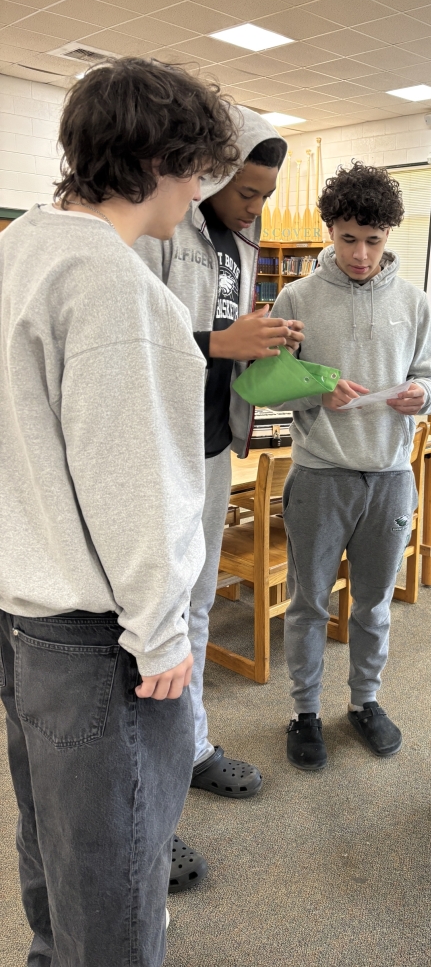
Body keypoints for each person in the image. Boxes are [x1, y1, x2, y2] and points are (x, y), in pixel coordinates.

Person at [0, 58, 239, 966]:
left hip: (24, 613)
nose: (199, 190)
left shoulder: (20, 245)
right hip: (96, 634)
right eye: (197, 169)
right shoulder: (113, 284)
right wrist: (162, 631)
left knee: (54, 844)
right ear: (160, 163)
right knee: (115, 867)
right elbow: (129, 479)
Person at [134, 105, 303, 889]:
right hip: (150, 453)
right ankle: (143, 813)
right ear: (213, 174)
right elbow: (132, 340)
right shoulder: (162, 231)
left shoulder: (240, 245)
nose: (255, 208)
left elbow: (220, 338)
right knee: (146, 628)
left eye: (266, 196)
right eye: (247, 191)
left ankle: (191, 745)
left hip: (209, 447)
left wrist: (255, 338)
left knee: (196, 607)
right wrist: (218, 344)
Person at [268, 162, 431, 771]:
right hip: (321, 474)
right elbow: (267, 387)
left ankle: (365, 702)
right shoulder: (297, 297)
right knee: (310, 602)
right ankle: (304, 711)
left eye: (373, 240)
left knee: (372, 605)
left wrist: (425, 396)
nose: (361, 253)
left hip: (392, 477)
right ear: (331, 232)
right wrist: (316, 391)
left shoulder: (414, 302)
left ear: (390, 233)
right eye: (348, 239)